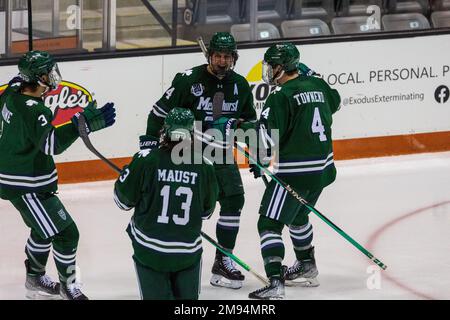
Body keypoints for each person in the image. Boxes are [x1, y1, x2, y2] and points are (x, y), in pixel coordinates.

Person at [140, 32, 257, 289]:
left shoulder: (240, 85)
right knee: (186, 203)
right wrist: (149, 141)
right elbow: (158, 112)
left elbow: (248, 122)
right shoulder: (188, 80)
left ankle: (223, 261)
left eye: (227, 57)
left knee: (234, 200)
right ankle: (172, 256)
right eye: (218, 56)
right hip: (186, 152)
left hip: (221, 153)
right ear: (209, 56)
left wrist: (256, 150)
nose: (222, 61)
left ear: (234, 57)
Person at [0, 50, 116, 300]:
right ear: (37, 77)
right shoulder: (35, 111)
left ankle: (35, 278)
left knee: (42, 229)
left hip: (16, 177)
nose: (53, 75)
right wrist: (80, 124)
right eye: (48, 71)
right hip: (27, 185)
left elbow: (12, 91)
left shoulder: (11, 95)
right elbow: (51, 145)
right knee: (66, 233)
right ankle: (68, 285)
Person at [248, 43, 341, 299]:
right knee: (298, 215)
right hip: (323, 171)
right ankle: (307, 265)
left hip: (294, 174)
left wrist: (246, 135)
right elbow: (336, 101)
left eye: (271, 65)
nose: (268, 70)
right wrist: (313, 75)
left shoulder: (280, 96)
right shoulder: (319, 86)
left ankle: (275, 282)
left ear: (282, 67)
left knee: (268, 223)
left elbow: (265, 145)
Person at [114, 108, 219, 300]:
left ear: (165, 131)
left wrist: (128, 174)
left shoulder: (145, 160)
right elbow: (206, 213)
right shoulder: (205, 165)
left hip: (150, 252)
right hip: (187, 252)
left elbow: (122, 202)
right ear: (191, 134)